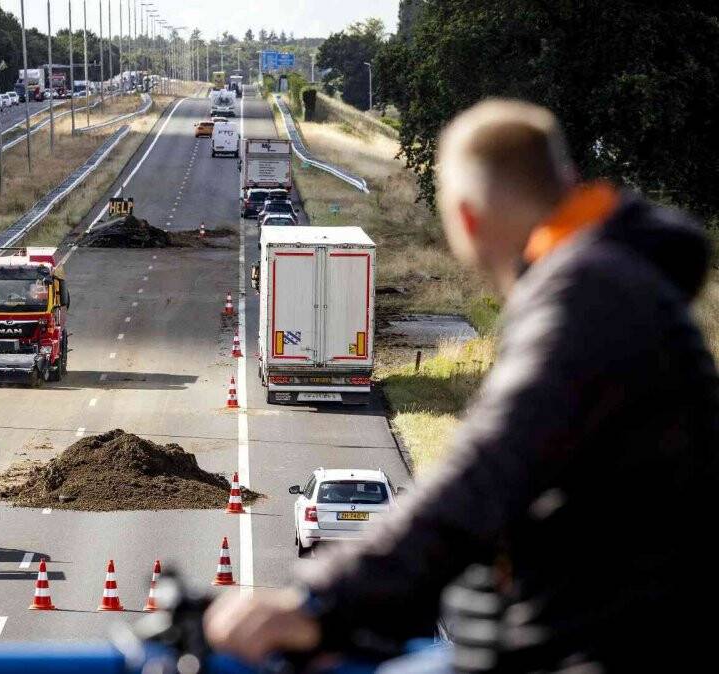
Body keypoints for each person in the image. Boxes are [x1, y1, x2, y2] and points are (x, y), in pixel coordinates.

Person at [205, 99, 719, 672]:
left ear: (466, 218)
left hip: (603, 647)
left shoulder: (587, 292)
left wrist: (320, 602)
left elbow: (489, 469)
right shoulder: (617, 277)